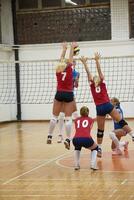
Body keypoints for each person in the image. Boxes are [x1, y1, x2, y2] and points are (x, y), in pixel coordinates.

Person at [80, 53, 134, 158]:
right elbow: (100, 73)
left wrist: (84, 63)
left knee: (100, 130)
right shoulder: (102, 83)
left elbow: (88, 73)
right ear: (99, 79)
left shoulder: (92, 85)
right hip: (107, 105)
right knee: (121, 120)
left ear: (93, 80)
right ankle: (132, 135)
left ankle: (99, 149)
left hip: (99, 107)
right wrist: (96, 60)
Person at [47, 42, 78, 150]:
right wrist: (72, 48)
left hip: (59, 93)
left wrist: (64, 48)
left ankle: (49, 136)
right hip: (69, 93)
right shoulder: (70, 69)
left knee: (54, 117)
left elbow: (62, 59)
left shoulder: (58, 70)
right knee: (68, 118)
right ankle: (68, 139)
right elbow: (70, 59)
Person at [57, 60, 80, 143]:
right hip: (62, 94)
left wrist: (76, 81)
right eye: (71, 62)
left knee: (76, 114)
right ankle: (60, 135)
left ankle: (80, 133)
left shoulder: (76, 73)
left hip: (71, 94)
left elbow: (76, 86)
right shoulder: (63, 70)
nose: (73, 64)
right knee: (61, 115)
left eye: (74, 62)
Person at [72, 106, 99, 170]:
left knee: (77, 147)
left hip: (75, 139)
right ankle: (92, 164)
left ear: (80, 113)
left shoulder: (76, 120)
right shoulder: (90, 119)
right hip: (86, 139)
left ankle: (76, 165)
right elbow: (91, 126)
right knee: (95, 148)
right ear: (88, 112)